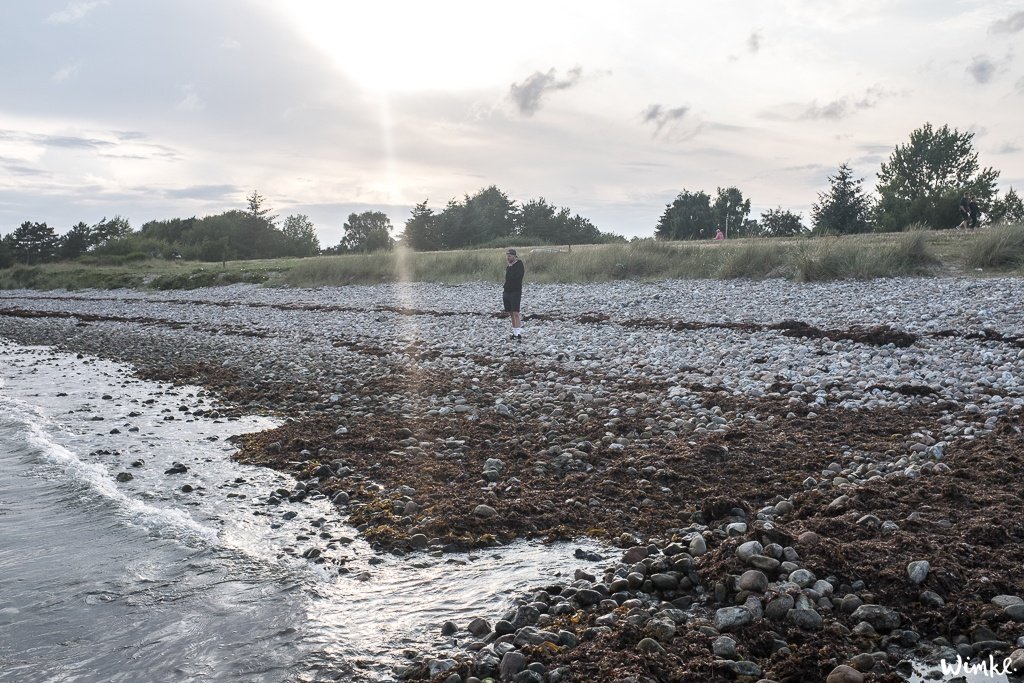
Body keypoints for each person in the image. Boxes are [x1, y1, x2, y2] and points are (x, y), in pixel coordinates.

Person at [503, 248, 525, 341]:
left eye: (510, 256)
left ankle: (519, 333)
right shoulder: (508, 267)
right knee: (511, 313)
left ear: (514, 256)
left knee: (516, 312)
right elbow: (507, 278)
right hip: (507, 291)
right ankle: (514, 333)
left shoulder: (519, 265)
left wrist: (511, 267)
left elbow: (516, 277)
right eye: (507, 256)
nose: (508, 258)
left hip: (515, 291)